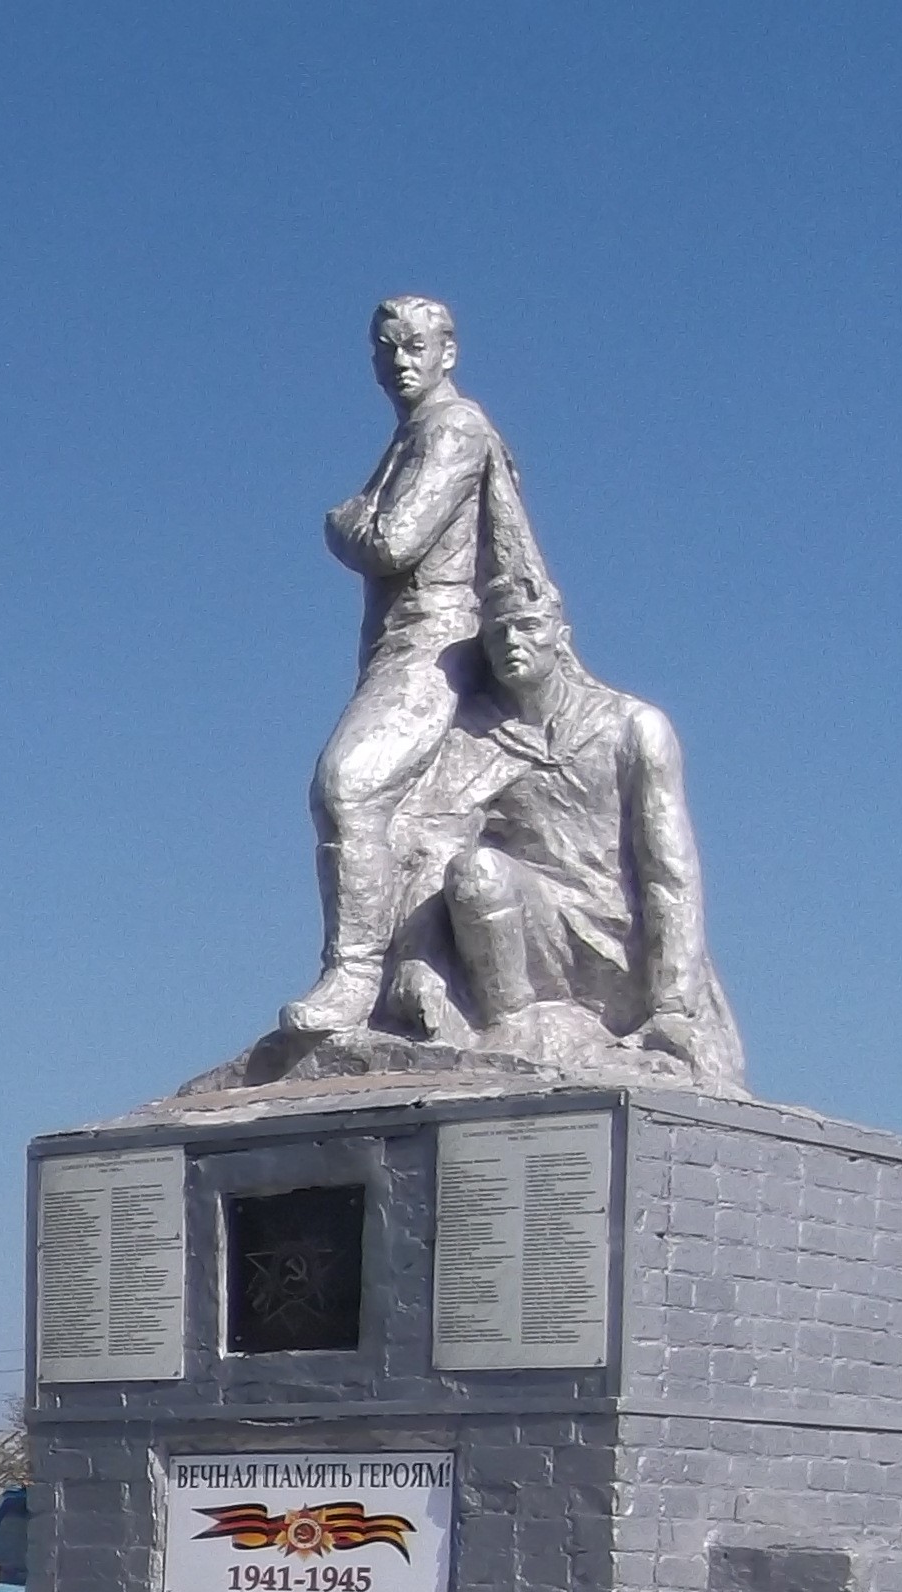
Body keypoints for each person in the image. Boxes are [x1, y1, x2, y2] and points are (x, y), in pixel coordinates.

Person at [286, 293, 548, 1044]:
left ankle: (354, 974)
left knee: (348, 786)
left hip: (440, 646)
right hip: (400, 645)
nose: (401, 361)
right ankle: (403, 974)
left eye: (415, 347)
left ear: (447, 353)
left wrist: (344, 522)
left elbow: (392, 542)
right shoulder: (411, 435)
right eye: (387, 349)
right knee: (386, 811)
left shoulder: (455, 428)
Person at [386, 575, 743, 1083]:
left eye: (529, 626)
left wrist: (672, 1004)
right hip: (532, 933)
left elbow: (670, 871)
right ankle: (509, 1035)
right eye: (498, 632)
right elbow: (431, 850)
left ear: (561, 635)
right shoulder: (471, 741)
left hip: (620, 943)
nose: (513, 642)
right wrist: (416, 958)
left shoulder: (633, 726)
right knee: (477, 872)